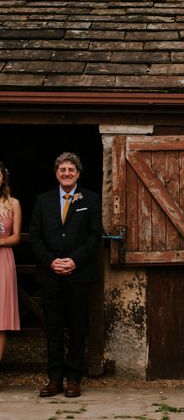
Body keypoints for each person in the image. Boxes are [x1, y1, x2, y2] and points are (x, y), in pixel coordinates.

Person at [28, 152, 102, 398]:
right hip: (51, 275)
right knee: (53, 327)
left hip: (79, 274)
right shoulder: (43, 200)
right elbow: (35, 236)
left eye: (71, 169)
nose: (67, 173)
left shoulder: (90, 199)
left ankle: (73, 378)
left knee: (79, 326)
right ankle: (55, 379)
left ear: (78, 173)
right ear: (56, 173)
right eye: (62, 170)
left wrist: (75, 260)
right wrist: (51, 261)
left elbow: (94, 237)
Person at [0, 161, 21, 363]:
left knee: (0, 319)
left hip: (3, 259)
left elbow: (16, 237)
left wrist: (1, 241)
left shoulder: (12, 203)